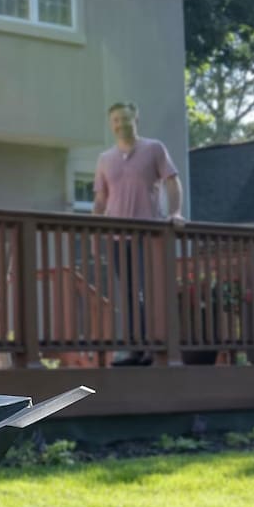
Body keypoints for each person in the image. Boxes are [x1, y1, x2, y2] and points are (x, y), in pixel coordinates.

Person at [92, 101, 185, 366]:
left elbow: (172, 181)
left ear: (136, 120)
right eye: (116, 120)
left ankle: (151, 348)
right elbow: (100, 200)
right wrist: (93, 230)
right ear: (111, 125)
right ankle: (135, 349)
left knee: (147, 291)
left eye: (125, 119)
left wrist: (175, 212)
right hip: (117, 238)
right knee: (129, 294)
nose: (121, 124)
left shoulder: (154, 149)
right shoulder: (105, 159)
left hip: (148, 235)